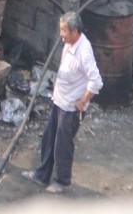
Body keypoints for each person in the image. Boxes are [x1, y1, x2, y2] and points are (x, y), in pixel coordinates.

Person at [22, 10, 102, 193]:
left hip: (71, 108)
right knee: (49, 139)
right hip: (60, 102)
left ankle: (62, 181)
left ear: (75, 32)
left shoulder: (84, 51)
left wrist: (83, 101)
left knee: (63, 145)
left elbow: (96, 81)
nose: (61, 34)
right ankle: (42, 175)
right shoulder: (69, 44)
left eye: (64, 30)